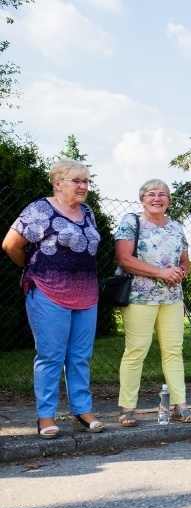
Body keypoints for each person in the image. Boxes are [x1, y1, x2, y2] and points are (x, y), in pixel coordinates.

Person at [2, 158, 104, 438]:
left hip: (86, 294)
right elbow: (10, 244)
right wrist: (34, 269)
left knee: (81, 356)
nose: (84, 186)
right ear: (58, 183)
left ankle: (82, 411)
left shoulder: (88, 212)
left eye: (86, 181)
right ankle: (45, 416)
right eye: (77, 181)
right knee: (50, 356)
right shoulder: (39, 209)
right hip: (48, 292)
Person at [114, 179, 191, 427]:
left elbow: (186, 263)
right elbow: (123, 259)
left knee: (173, 352)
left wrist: (178, 271)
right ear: (142, 199)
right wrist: (161, 272)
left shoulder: (176, 227)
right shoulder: (132, 222)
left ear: (169, 200)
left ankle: (180, 406)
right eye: (151, 194)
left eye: (163, 194)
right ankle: (127, 409)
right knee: (136, 350)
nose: (157, 198)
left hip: (172, 298)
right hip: (139, 296)